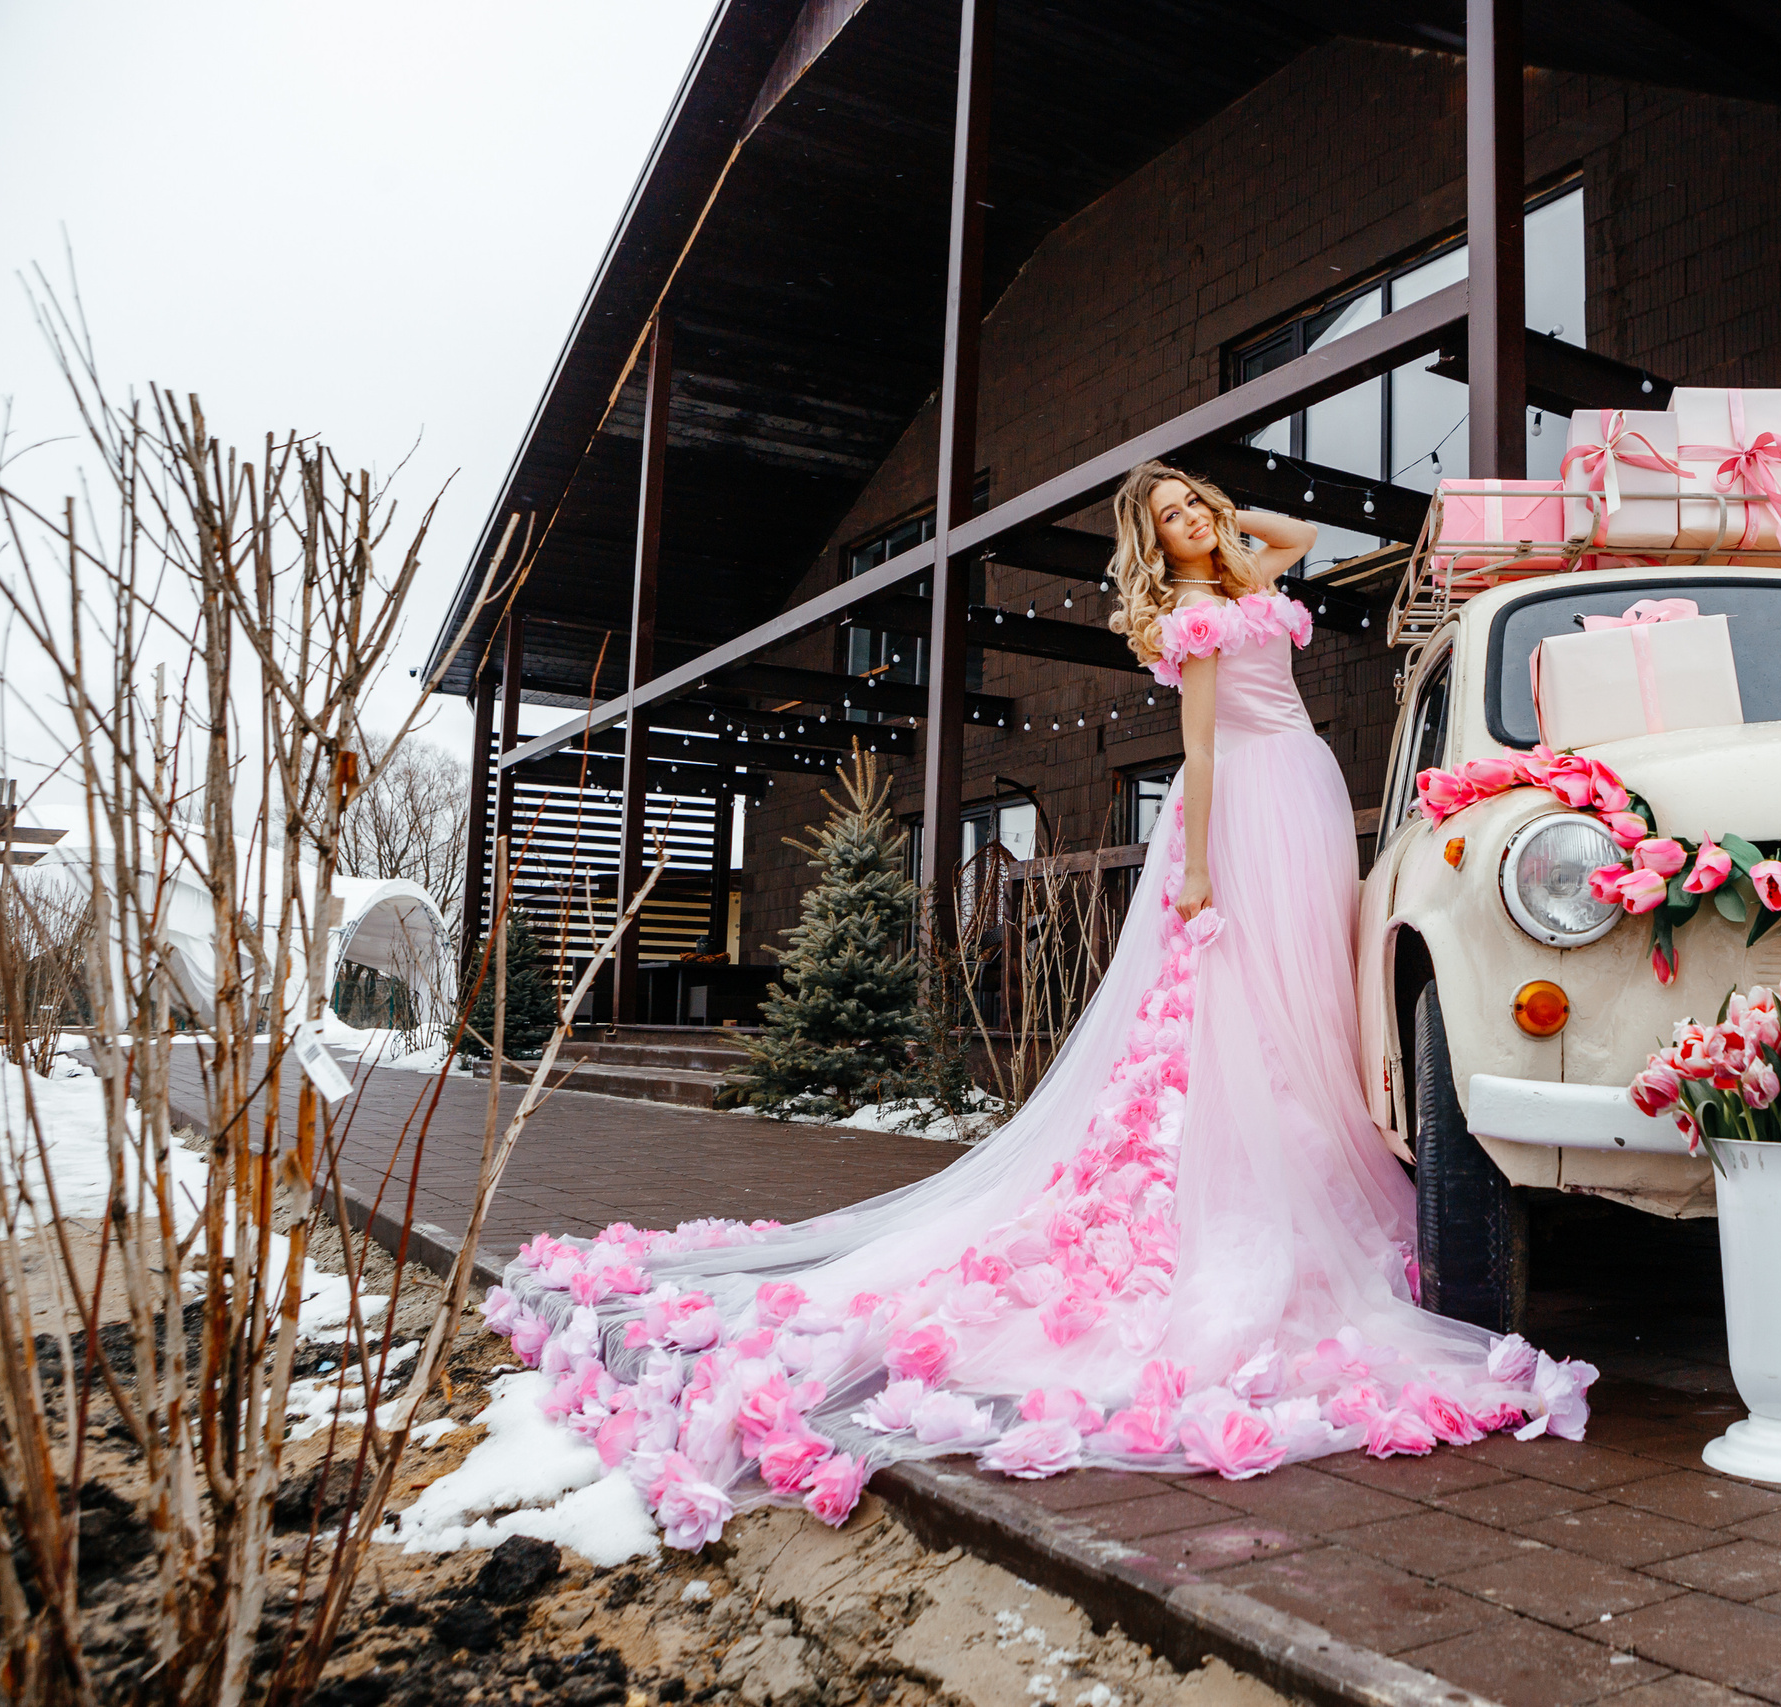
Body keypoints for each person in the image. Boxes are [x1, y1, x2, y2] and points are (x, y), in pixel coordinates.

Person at [488, 461, 1596, 1550]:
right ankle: (1246, 1164)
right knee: (1243, 997)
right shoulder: (1200, 615)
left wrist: (1211, 504)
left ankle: (1304, 1132)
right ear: (1154, 547)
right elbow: (1199, 753)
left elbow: (1294, 540)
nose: (1194, 524)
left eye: (1193, 506)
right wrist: (1198, 868)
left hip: (1305, 790)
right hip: (1245, 800)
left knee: (1306, 979)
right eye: (1168, 519)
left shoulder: (1251, 570)